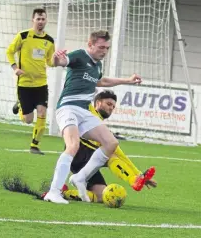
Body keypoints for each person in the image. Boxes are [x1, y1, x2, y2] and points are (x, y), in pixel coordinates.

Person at [1, 90, 156, 203]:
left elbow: (119, 150)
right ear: (97, 103)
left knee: (102, 196)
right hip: (80, 152)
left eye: (113, 107)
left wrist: (139, 174)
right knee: (112, 155)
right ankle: (133, 181)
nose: (111, 108)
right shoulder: (86, 110)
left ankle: (65, 193)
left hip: (88, 159)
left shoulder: (100, 125)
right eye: (108, 104)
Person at [44, 30, 143, 204]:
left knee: (111, 143)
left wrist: (127, 81)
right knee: (73, 145)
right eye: (101, 47)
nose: (104, 51)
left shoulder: (97, 65)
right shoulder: (80, 55)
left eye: (107, 48)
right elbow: (60, 61)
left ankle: (80, 177)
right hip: (68, 108)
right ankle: (54, 191)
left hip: (84, 111)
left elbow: (101, 81)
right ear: (90, 45)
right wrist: (55, 58)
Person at [6, 8, 55, 155]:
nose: (40, 22)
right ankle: (20, 105)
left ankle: (34, 145)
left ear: (46, 21)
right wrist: (15, 67)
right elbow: (9, 51)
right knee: (28, 120)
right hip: (24, 84)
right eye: (38, 19)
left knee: (42, 112)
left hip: (41, 84)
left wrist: (58, 59)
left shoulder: (49, 41)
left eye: (43, 19)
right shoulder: (23, 36)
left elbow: (50, 62)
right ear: (33, 20)